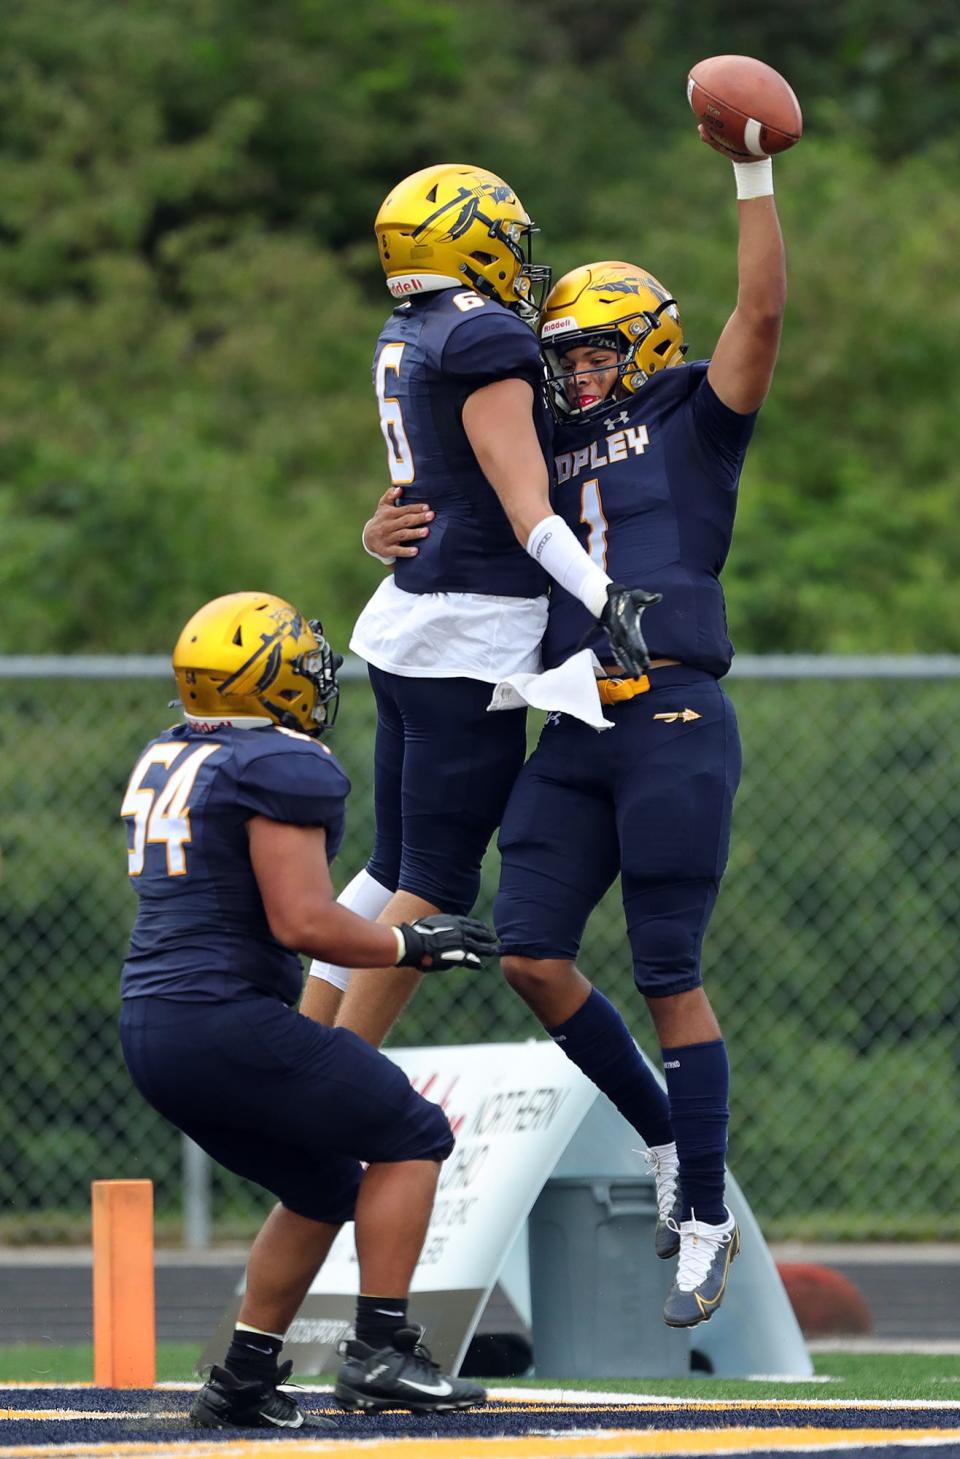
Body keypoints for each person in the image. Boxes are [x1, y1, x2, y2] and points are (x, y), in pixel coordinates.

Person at [493, 129, 789, 1329]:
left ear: (650, 340)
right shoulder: (550, 437)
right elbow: (473, 500)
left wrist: (754, 173)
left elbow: (761, 315)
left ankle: (706, 1209)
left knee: (669, 969)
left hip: (669, 704)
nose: (576, 373)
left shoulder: (692, 412)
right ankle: (668, 1140)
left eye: (596, 349)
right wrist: (382, 527)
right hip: (574, 716)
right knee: (527, 950)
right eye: (563, 356)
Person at [118, 590, 495, 1427]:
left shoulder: (175, 751)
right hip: (225, 1017)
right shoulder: (281, 764)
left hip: (153, 1023)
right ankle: (383, 1352)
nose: (314, 676)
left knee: (323, 1180)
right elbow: (302, 920)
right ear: (265, 677)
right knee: (414, 1133)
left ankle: (243, 1378)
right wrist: (415, 946)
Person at [302, 161, 659, 1043]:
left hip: (413, 630)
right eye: (506, 236)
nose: (518, 257)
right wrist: (605, 595)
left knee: (390, 868)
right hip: (470, 636)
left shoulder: (412, 327)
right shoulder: (484, 334)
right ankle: (332, 1084)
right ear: (466, 240)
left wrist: (371, 534)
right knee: (437, 882)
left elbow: (439, 481)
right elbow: (522, 504)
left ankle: (306, 1041)